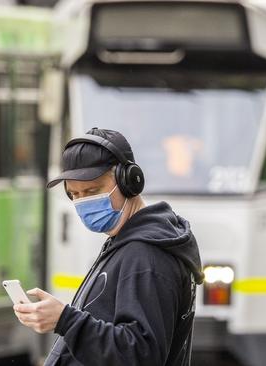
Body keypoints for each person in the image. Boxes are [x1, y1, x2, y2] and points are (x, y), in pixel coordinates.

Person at [13, 128, 204, 365]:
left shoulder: (146, 255)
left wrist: (65, 320)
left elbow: (141, 355)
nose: (84, 202)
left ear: (129, 181)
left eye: (92, 190)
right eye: (75, 194)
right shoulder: (125, 244)